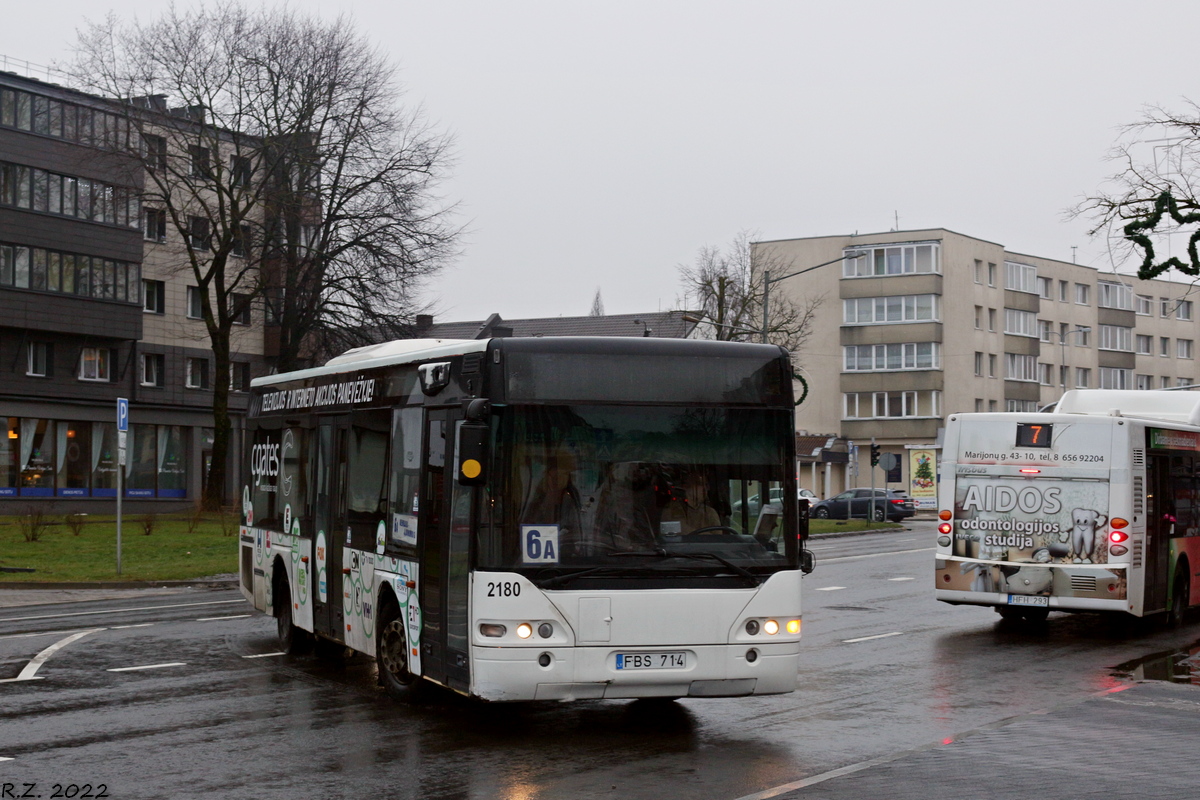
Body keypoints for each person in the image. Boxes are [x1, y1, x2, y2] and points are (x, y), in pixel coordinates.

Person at [659, 470, 721, 535]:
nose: (705, 488)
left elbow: (718, 539)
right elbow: (682, 531)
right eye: (699, 484)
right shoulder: (672, 509)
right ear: (685, 487)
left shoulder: (710, 512)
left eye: (706, 484)